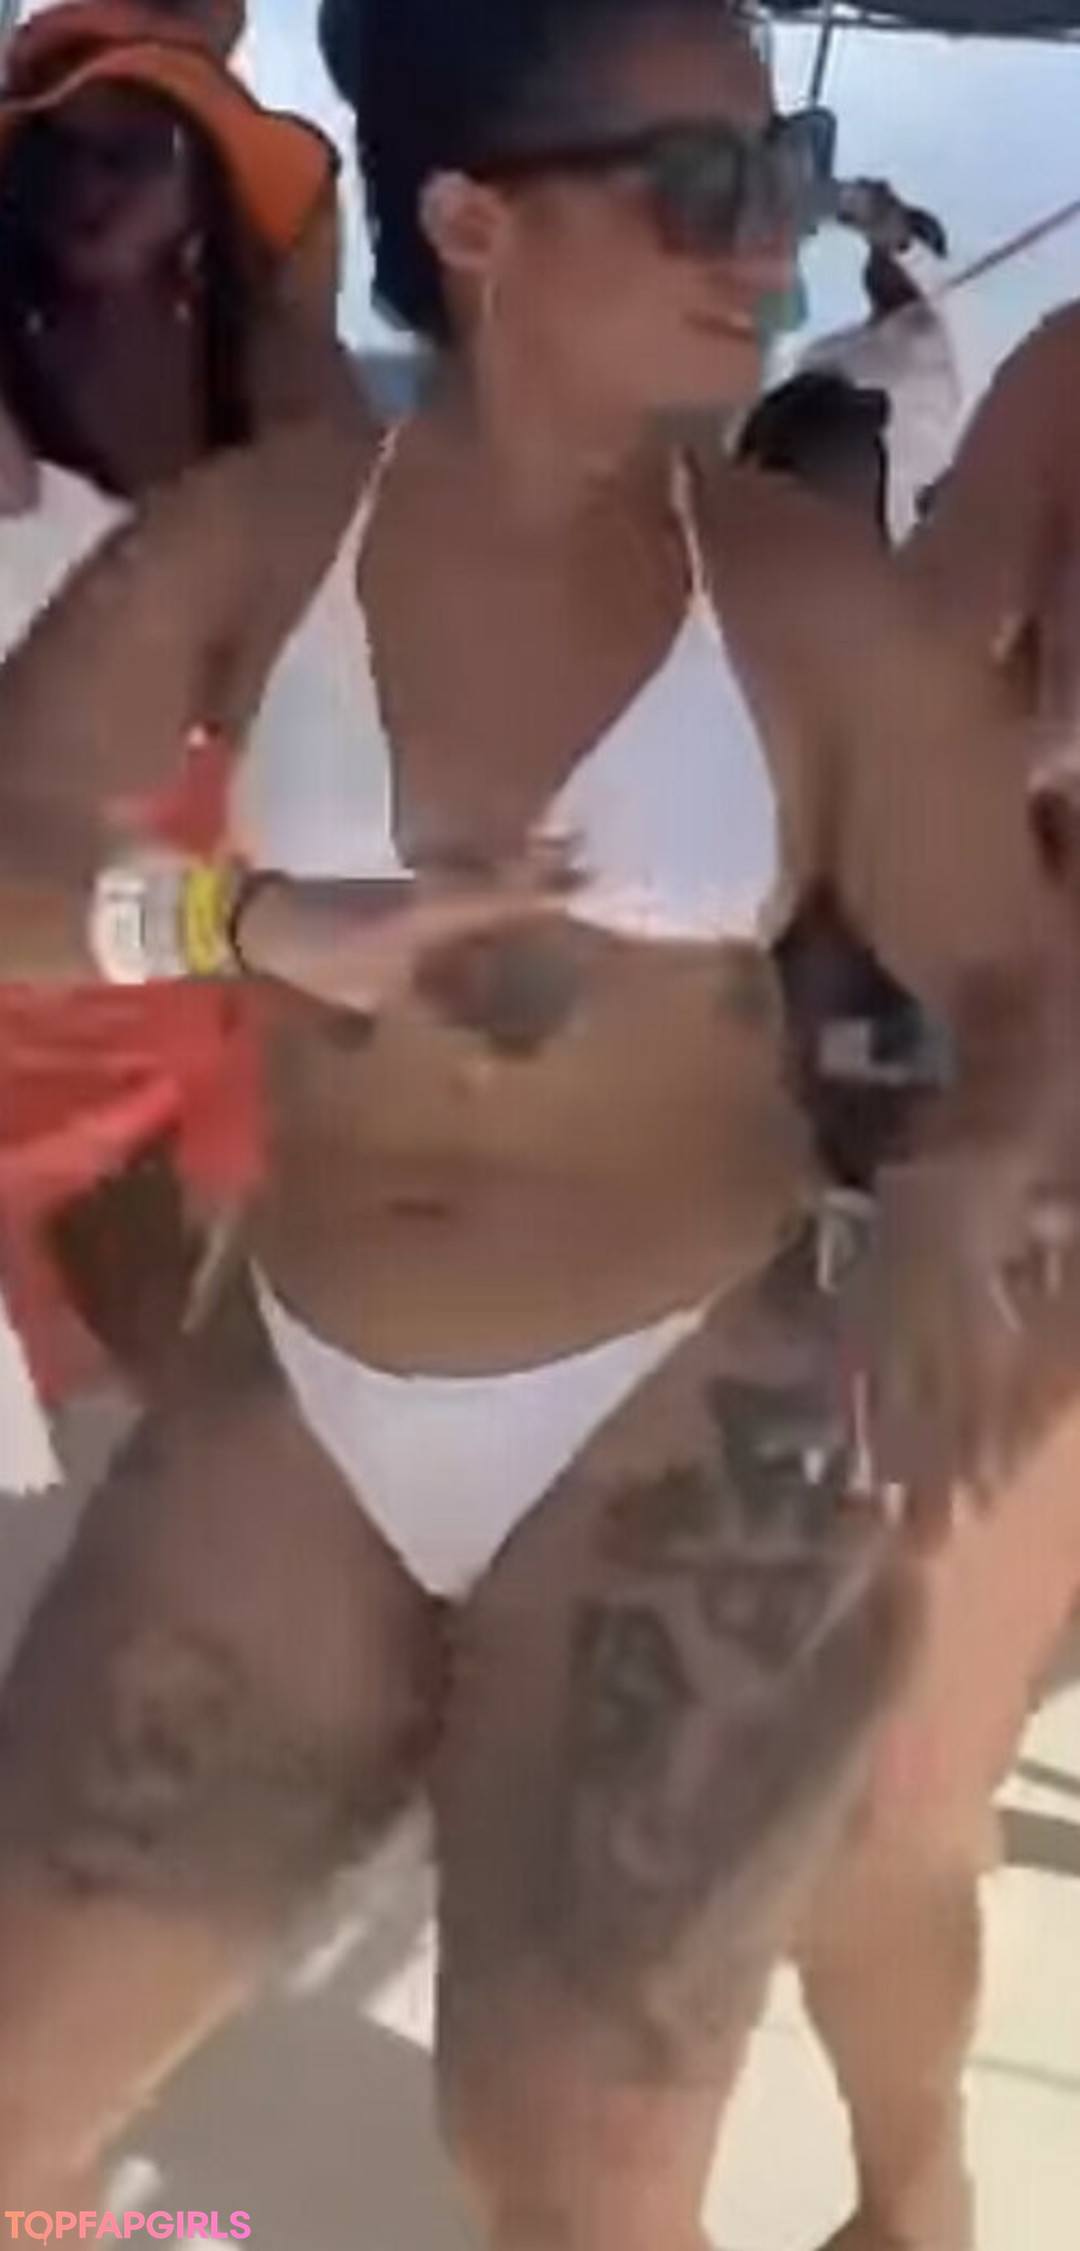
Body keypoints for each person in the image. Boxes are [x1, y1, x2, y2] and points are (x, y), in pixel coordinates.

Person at [0, 0, 1077, 2234]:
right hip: (302, 1387)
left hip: (672, 1397)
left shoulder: (807, 601)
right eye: (705, 188)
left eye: (784, 178)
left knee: (565, 2148)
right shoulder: (259, 536)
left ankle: (920, 2193)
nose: (770, 245)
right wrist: (235, 915)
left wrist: (968, 1176)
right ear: (477, 224)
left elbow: (1006, 972)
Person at [0, 0, 342, 1475]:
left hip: (203, 1054)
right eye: (56, 146)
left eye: (137, 146)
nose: (91, 181)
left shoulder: (259, 432)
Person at [801, 242, 962, 543]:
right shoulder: (827, 352)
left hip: (902, 526)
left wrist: (909, 252)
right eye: (878, 253)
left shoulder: (944, 348)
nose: (885, 263)